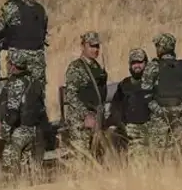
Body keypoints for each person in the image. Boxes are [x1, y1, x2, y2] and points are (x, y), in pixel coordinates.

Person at [142, 33, 182, 158]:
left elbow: (145, 94)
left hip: (159, 119)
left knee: (159, 155)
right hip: (180, 118)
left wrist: (159, 111)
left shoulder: (152, 67)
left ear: (161, 48)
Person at [0, 0, 49, 93]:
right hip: (38, 59)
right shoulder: (40, 9)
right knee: (37, 93)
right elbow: (43, 32)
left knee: (16, 93)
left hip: (18, 57)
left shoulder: (11, 6)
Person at [0, 51, 47, 178]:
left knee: (10, 171)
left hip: (19, 132)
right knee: (28, 172)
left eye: (8, 62)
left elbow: (12, 114)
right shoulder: (34, 81)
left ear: (13, 65)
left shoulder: (16, 83)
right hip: (35, 131)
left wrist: (2, 137)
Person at [62, 31, 109, 159]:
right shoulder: (76, 67)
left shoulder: (96, 66)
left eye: (97, 46)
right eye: (92, 46)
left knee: (98, 157)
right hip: (81, 121)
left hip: (96, 118)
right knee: (82, 158)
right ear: (83, 46)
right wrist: (85, 115)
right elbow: (70, 95)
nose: (95, 50)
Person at [110, 48, 151, 158]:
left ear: (146, 63)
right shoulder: (124, 85)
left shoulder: (154, 83)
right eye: (134, 63)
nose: (137, 66)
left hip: (149, 131)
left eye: (140, 62)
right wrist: (122, 126)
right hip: (129, 132)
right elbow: (115, 108)